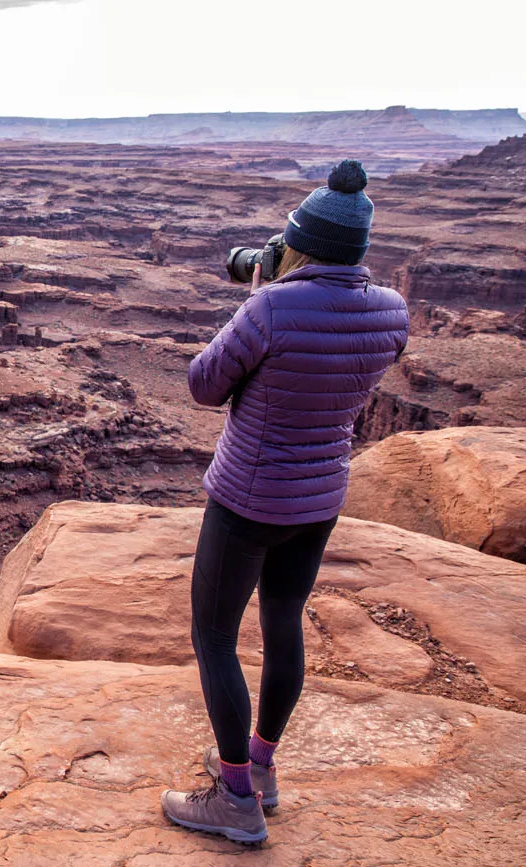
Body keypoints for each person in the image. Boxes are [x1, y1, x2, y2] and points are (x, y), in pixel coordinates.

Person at [160, 160, 410, 844]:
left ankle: (234, 798)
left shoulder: (269, 306)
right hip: (319, 498)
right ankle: (262, 769)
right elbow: (346, 352)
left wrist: (265, 297)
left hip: (247, 500)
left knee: (214, 635)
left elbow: (203, 385)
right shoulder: (392, 310)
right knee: (283, 624)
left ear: (298, 244)